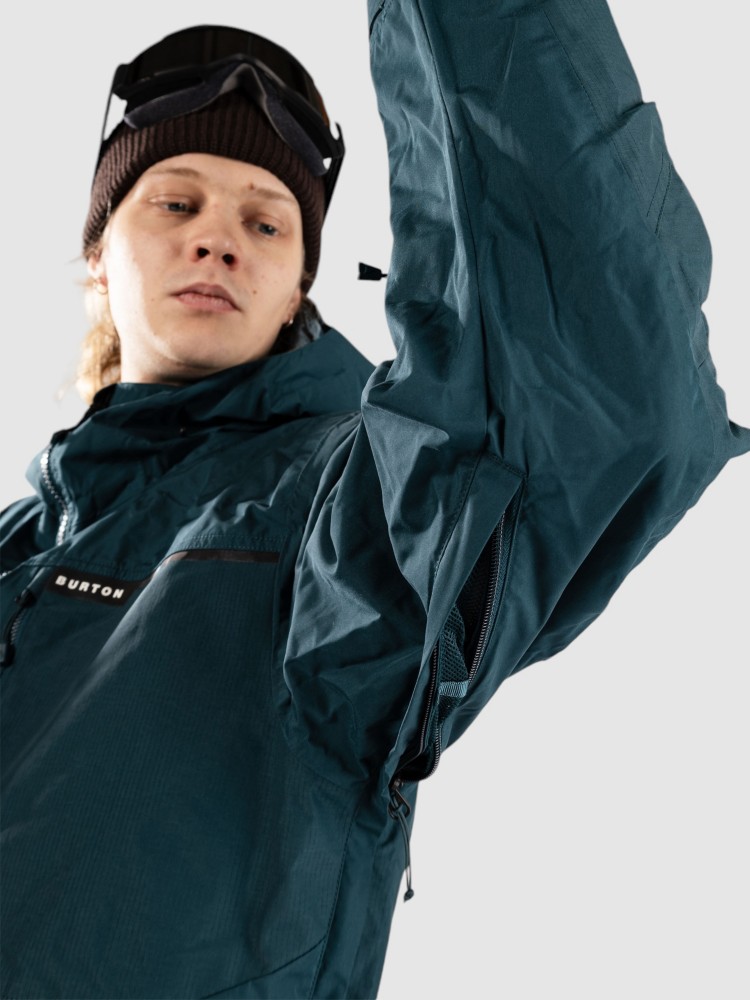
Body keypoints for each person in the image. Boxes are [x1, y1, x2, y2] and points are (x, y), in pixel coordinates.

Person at [1, 4, 748, 999]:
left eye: (265, 223)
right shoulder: (15, 547)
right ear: (99, 253)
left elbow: (587, 384)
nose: (217, 240)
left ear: (298, 284)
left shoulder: (336, 505)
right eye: (176, 204)